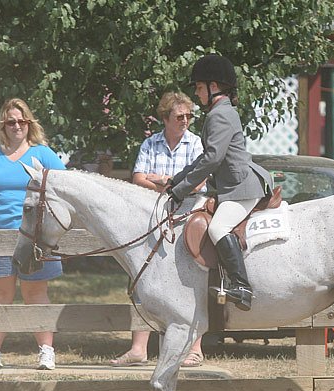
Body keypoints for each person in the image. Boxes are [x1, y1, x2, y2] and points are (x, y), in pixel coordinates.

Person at [167, 54, 274, 312]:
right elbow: (206, 157)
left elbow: (212, 158)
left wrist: (181, 191)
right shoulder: (220, 111)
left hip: (241, 187)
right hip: (234, 184)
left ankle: (241, 286)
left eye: (200, 87)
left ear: (214, 87)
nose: (197, 93)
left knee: (218, 228)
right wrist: (177, 181)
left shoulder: (220, 115)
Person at [0, 98, 67, 370]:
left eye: (22, 121)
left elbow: (63, 186)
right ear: (3, 124)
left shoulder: (42, 154)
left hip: (35, 235)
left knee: (36, 293)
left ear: (29, 123)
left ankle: (46, 351)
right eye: (10, 121)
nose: (16, 126)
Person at [109, 91, 206, 367]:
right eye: (180, 116)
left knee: (190, 279)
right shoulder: (151, 144)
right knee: (144, 278)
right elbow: (138, 178)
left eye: (189, 116)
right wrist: (173, 183)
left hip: (188, 216)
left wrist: (163, 181)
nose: (185, 120)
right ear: (166, 118)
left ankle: (194, 347)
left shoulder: (195, 143)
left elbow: (198, 184)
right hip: (153, 218)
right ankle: (139, 348)